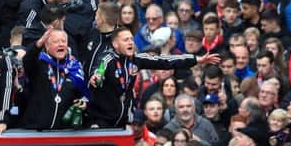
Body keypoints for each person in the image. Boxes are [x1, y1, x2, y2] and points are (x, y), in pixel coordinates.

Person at [89, 29, 218, 128]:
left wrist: (196, 59)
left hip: (123, 121)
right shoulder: (107, 58)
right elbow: (99, 68)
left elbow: (165, 60)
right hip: (102, 122)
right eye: (125, 40)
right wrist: (96, 76)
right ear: (115, 44)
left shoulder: (136, 59)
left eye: (131, 39)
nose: (130, 43)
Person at [19, 26, 87, 130]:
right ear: (47, 45)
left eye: (63, 41)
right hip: (36, 130)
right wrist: (38, 44)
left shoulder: (74, 67)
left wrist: (84, 103)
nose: (61, 44)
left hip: (63, 131)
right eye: (56, 41)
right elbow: (27, 59)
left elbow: (83, 94)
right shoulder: (38, 63)